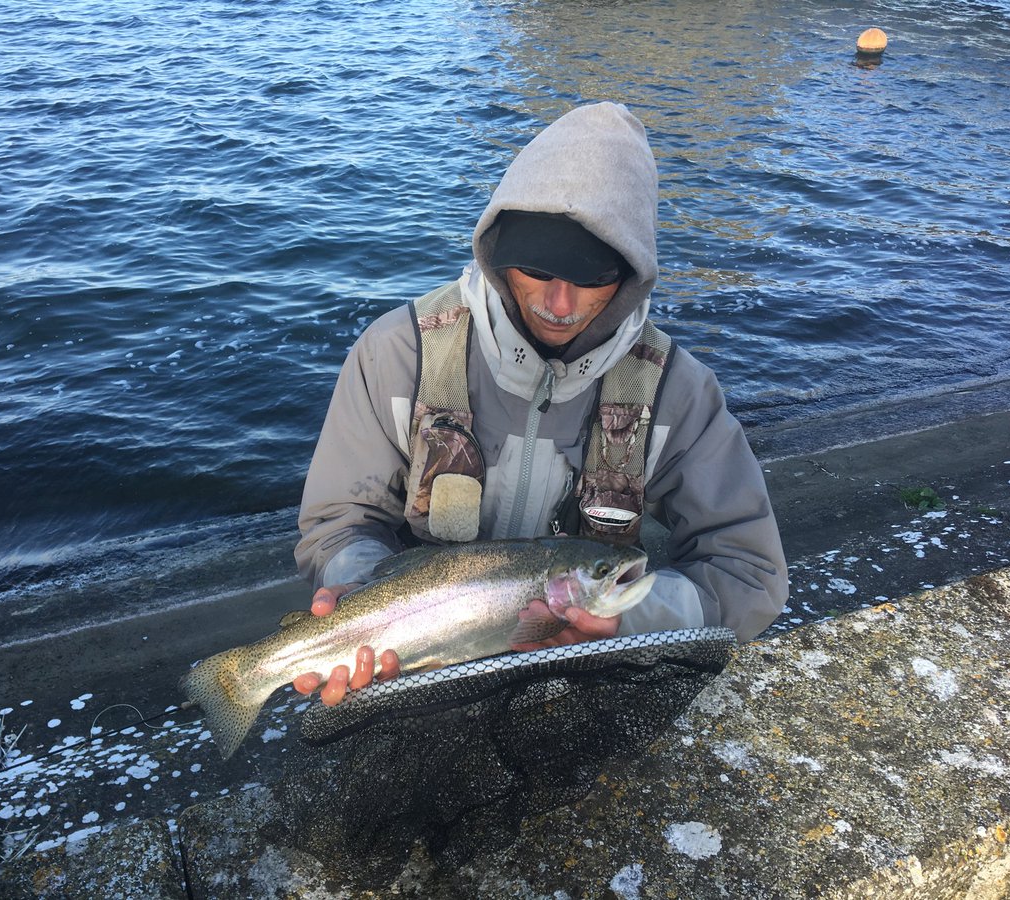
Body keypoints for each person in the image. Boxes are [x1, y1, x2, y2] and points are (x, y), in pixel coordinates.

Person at [291, 101, 788, 707]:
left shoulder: (679, 392)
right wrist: (358, 592)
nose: (558, 301)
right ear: (497, 254)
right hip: (416, 663)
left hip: (586, 683)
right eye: (536, 269)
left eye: (590, 276)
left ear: (631, 275)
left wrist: (629, 622)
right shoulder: (397, 352)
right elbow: (340, 519)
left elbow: (748, 572)